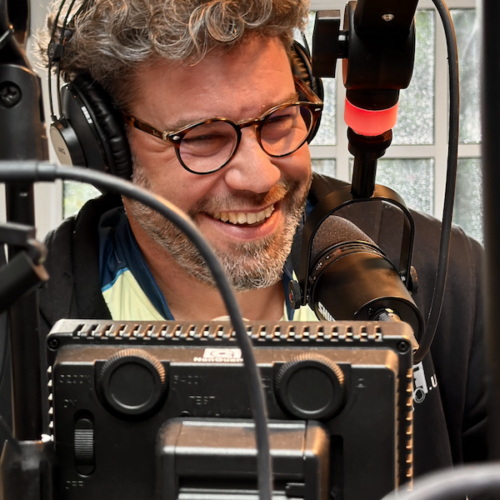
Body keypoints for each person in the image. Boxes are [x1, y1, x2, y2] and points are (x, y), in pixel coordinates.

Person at [38, 0, 487, 480]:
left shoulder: (454, 282)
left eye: (278, 119)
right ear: (105, 149)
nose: (260, 176)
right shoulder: (26, 321)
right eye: (202, 137)